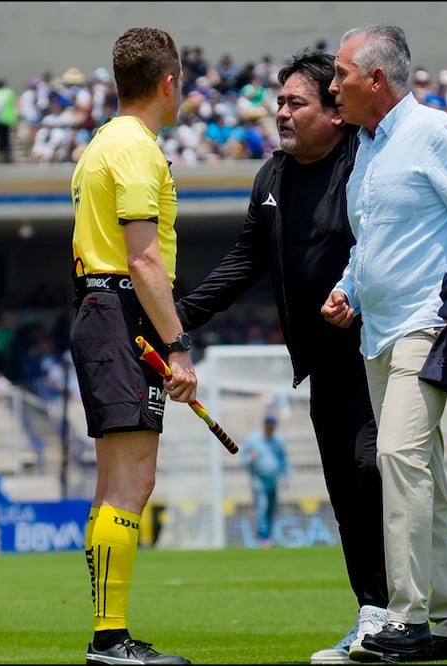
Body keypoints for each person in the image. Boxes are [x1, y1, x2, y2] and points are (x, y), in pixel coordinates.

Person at [173, 47, 388, 664]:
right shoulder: (272, 177)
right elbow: (247, 259)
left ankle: (417, 612)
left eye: (296, 103)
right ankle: (374, 614)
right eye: (280, 103)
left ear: (335, 113)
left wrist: (357, 291)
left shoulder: (369, 165)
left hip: (380, 355)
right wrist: (180, 314)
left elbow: (388, 246)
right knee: (348, 494)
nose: (282, 114)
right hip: (324, 366)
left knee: (377, 472)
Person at [323, 24, 447, 662]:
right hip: (377, 333)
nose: (333, 87)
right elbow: (369, 245)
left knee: (398, 461)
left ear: (376, 79)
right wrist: (347, 288)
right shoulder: (365, 150)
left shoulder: (436, 134)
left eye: (341, 74)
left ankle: (404, 620)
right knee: (422, 474)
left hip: (427, 327)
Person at [69, 26, 196, 666]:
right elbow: (143, 259)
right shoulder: (137, 148)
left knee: (112, 483)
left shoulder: (101, 142)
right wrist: (178, 346)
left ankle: (107, 631)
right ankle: (110, 639)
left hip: (99, 307)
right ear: (168, 82)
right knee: (132, 481)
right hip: (122, 309)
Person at [240, 415, 290, 548]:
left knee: (271, 509)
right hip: (258, 481)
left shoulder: (278, 441)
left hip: (273, 481)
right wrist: (250, 458)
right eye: (269, 426)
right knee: (262, 507)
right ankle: (264, 537)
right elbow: (242, 460)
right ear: (265, 426)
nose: (271, 429)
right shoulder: (253, 439)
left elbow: (283, 460)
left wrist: (285, 477)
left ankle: (268, 535)